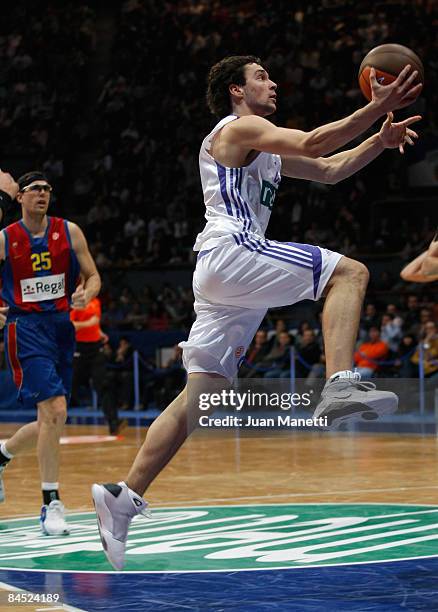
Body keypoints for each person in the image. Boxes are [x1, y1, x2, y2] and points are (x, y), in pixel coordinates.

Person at [92, 55, 422, 569]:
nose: (273, 83)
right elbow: (315, 142)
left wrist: (378, 140)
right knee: (350, 273)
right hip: (233, 250)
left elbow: (330, 169)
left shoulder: (262, 149)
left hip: (223, 276)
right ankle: (338, 384)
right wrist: (373, 108)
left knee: (200, 398)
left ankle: (123, 496)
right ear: (235, 91)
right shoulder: (238, 127)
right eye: (261, 76)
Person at [0, 171, 101, 535]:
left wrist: (87, 294)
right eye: (34, 190)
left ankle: (2, 454)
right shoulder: (6, 238)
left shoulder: (69, 231)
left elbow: (93, 276)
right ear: (21, 198)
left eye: (46, 189)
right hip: (25, 329)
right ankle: (51, 503)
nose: (42, 194)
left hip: (60, 327)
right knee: (54, 410)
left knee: (53, 420)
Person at [70, 297, 126, 435]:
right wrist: (89, 323)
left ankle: (114, 422)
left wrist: (99, 332)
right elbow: (70, 325)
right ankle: (49, 420)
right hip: (79, 350)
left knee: (103, 385)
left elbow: (95, 323)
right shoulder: (74, 302)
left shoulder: (96, 301)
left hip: (95, 349)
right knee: (70, 386)